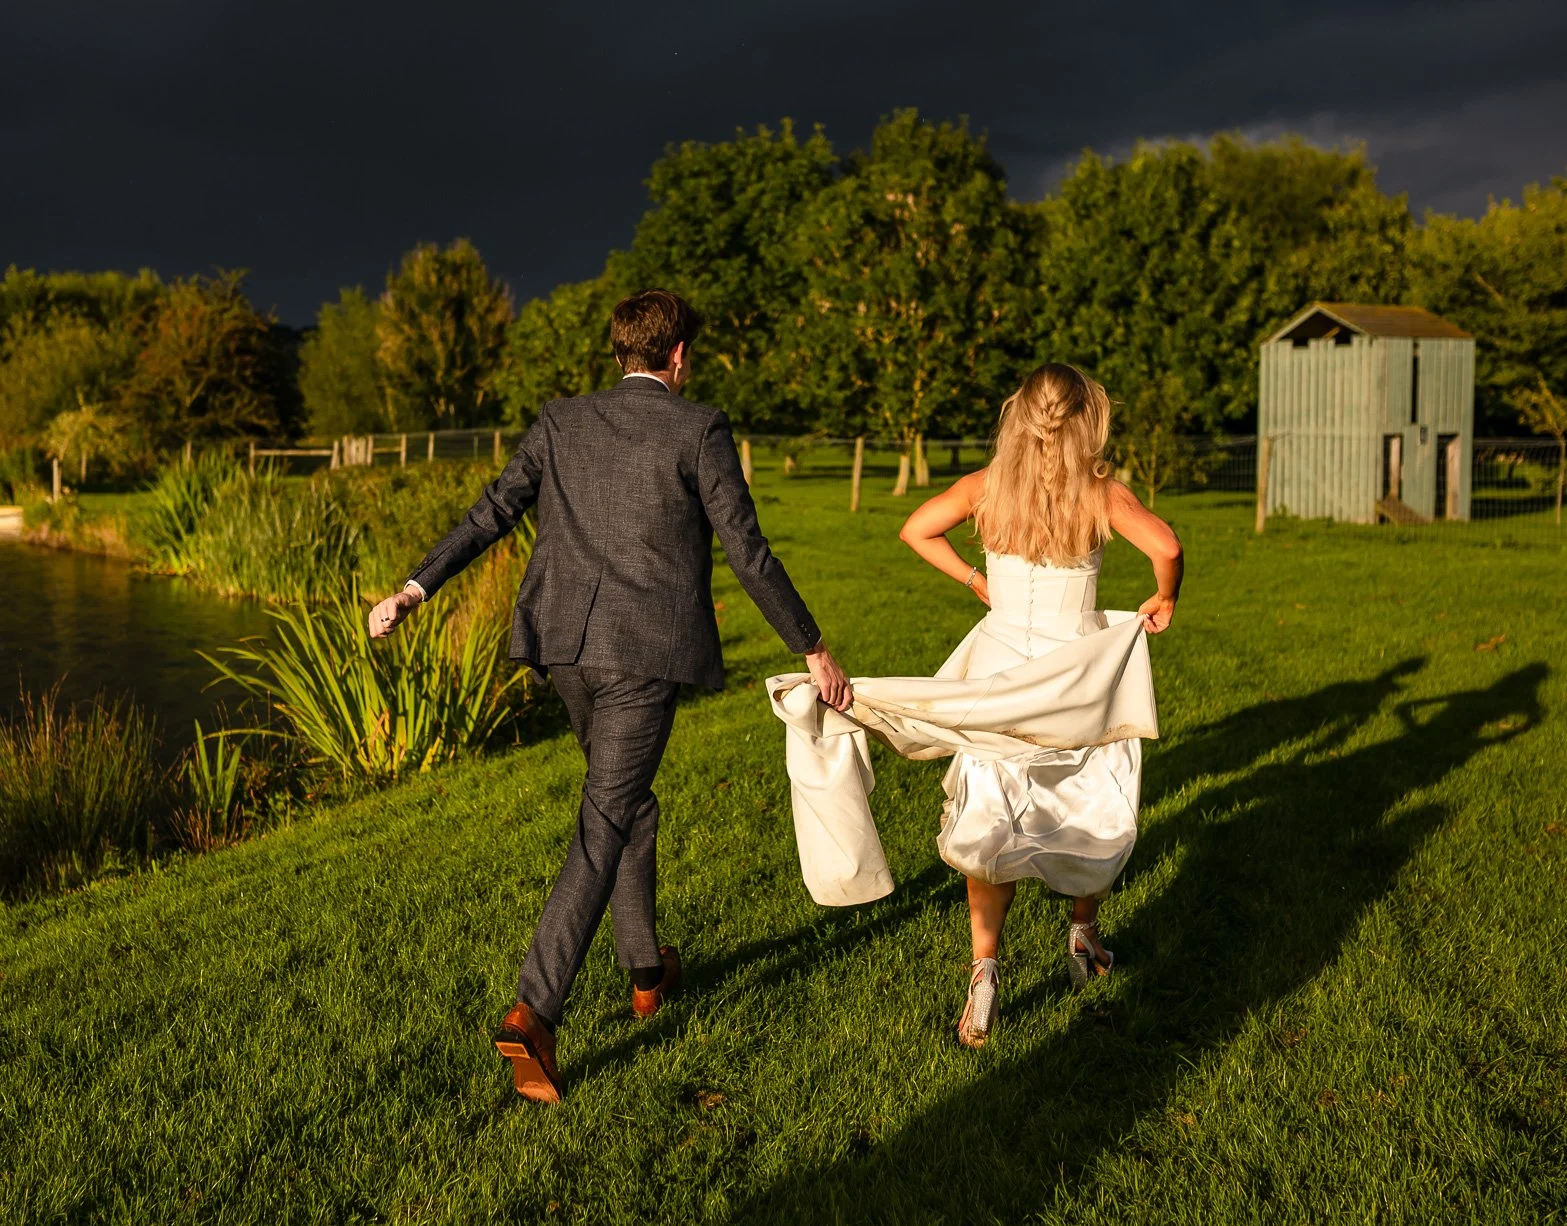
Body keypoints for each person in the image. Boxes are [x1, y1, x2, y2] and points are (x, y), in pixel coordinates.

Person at [367, 289, 851, 1103]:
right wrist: (813, 646)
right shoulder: (699, 428)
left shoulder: (560, 421)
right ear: (680, 356)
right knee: (603, 820)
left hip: (564, 650)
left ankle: (644, 973)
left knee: (629, 805)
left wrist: (416, 588)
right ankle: (534, 1013)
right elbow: (747, 549)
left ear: (620, 350)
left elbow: (490, 514)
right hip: (640, 656)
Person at [898, 363, 1182, 1047]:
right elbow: (1167, 546)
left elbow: (915, 529)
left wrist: (975, 579)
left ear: (1017, 418)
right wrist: (1166, 595)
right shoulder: (1101, 495)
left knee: (992, 815)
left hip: (1000, 671)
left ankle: (986, 973)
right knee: (1086, 801)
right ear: (1088, 421)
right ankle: (1083, 937)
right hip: (1075, 674)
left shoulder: (984, 489)